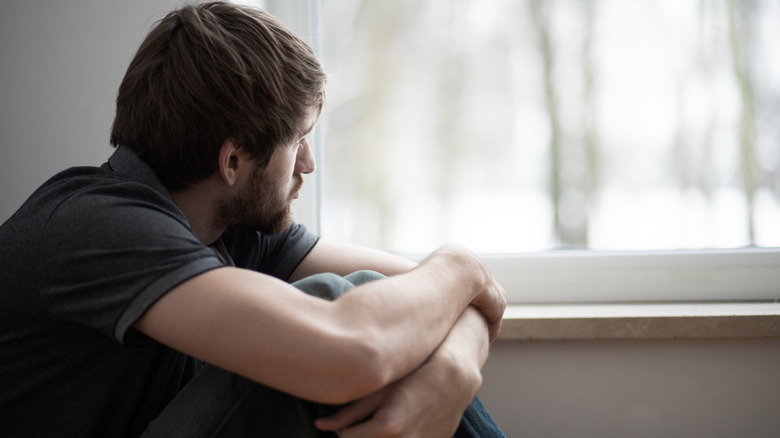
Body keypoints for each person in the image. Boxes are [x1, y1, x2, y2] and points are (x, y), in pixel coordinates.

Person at [0, 2, 506, 437]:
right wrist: (463, 263)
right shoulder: (95, 226)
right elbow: (360, 349)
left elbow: (436, 295)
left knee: (378, 299)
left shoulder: (224, 226)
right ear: (233, 160)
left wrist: (452, 369)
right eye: (299, 139)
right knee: (336, 307)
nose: (308, 163)